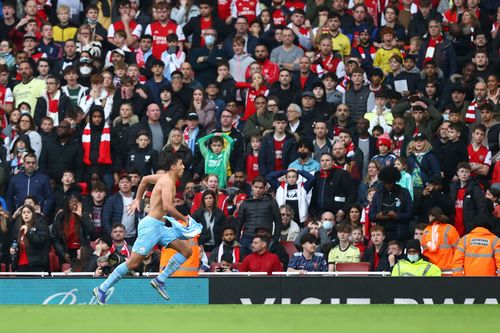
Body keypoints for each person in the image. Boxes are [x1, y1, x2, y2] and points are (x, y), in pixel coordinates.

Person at [93, 154, 203, 304]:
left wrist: (137, 199)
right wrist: (185, 218)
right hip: (151, 226)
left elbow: (144, 180)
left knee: (187, 251)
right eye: (181, 164)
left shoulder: (164, 178)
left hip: (160, 226)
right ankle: (102, 289)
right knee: (133, 263)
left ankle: (160, 280)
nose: (183, 167)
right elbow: (167, 206)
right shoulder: (167, 182)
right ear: (173, 167)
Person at [237, 176, 282, 257]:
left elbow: (278, 222)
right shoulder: (245, 203)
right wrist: (237, 240)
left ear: (264, 189)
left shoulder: (271, 202)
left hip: (265, 238)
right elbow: (239, 224)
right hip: (247, 237)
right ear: (252, 187)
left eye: (260, 188)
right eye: (256, 187)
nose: (258, 190)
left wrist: (275, 239)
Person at [9, 204, 50, 272]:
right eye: (23, 212)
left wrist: (28, 232)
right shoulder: (19, 227)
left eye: (28, 212)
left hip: (36, 265)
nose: (26, 214)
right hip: (20, 266)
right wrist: (13, 249)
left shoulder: (41, 223)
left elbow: (40, 242)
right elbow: (16, 243)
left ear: (33, 214)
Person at [421, 207, 460, 272]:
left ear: (430, 216)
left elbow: (424, 251)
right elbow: (458, 250)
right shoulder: (449, 229)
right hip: (448, 269)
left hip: (431, 270)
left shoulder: (426, 231)